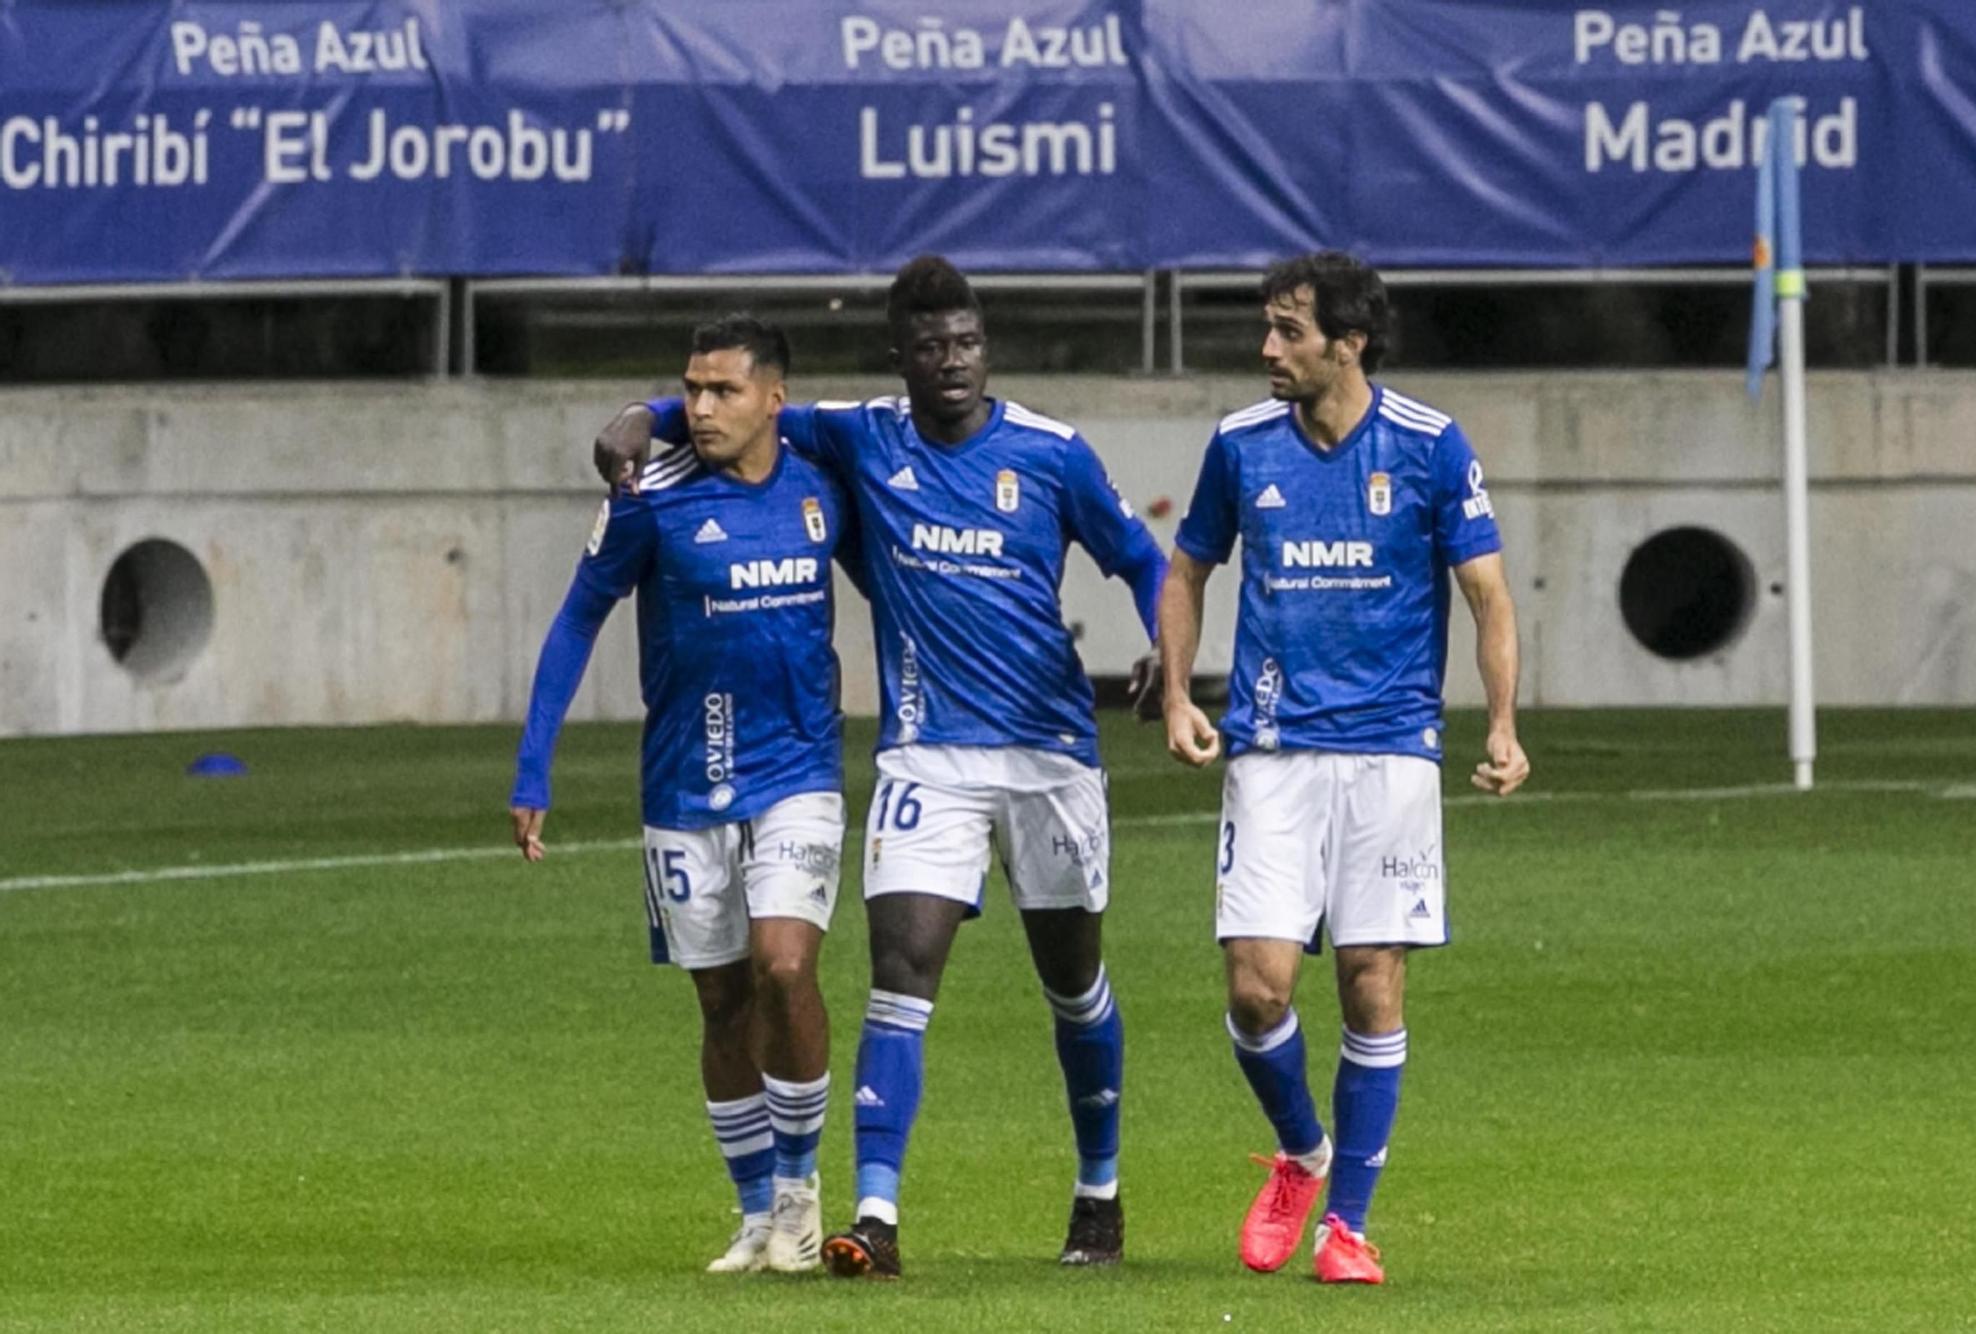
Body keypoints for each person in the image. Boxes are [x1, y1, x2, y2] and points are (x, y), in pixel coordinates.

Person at [595, 255, 1169, 1278]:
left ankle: (1099, 1192)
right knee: (898, 976)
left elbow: (1138, 555)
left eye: (967, 344)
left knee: (1071, 982)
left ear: (983, 348)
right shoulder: (861, 433)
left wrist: (1169, 647)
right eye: (931, 347)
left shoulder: (1050, 451)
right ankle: (875, 1212)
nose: (952, 363)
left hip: (1048, 752)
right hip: (926, 754)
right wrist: (643, 416)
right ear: (898, 358)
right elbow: (740, 403)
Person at [1155, 251, 1530, 1285]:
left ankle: (1347, 1225)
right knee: (1255, 990)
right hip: (1271, 751)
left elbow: (1487, 594)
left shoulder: (1427, 445)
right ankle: (1301, 1152)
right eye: (1266, 327)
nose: (1266, 347)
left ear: (1347, 341)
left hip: (1391, 754)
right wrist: (1183, 693)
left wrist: (1499, 723)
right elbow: (1185, 568)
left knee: (1371, 986)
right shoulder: (1238, 446)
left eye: (1287, 329)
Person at [511, 315, 853, 1275]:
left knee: (785, 968)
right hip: (684, 782)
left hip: (799, 776)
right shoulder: (647, 500)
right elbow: (578, 620)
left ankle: (798, 1191)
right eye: (689, 391)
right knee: (720, 1000)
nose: (700, 409)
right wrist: (535, 765)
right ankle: (753, 1215)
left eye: (724, 392)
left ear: (773, 400)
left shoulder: (827, 477)